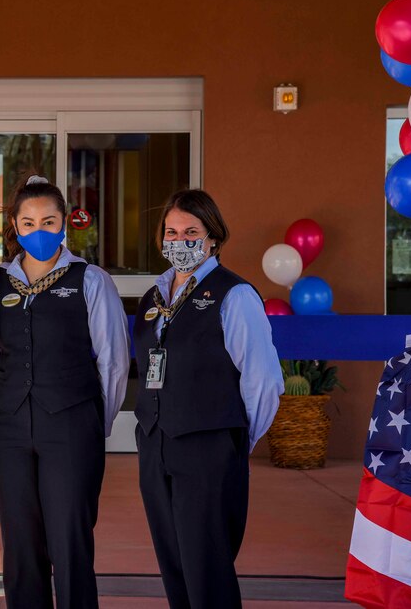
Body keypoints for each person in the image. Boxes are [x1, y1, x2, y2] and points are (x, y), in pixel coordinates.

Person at [0, 175, 130, 609]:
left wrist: (89, 420)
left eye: (48, 221)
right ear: (14, 226)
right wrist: (16, 390)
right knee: (20, 542)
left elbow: (114, 361)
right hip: (9, 428)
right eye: (28, 223)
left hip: (71, 426)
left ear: (65, 224)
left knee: (70, 539)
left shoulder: (91, 280)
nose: (38, 231)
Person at [133, 189, 283, 609]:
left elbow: (264, 380)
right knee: (174, 563)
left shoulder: (234, 296)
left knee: (207, 568)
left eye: (190, 232)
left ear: (213, 238)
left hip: (208, 448)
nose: (178, 241)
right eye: (171, 232)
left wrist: (234, 441)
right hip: (157, 444)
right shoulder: (153, 299)